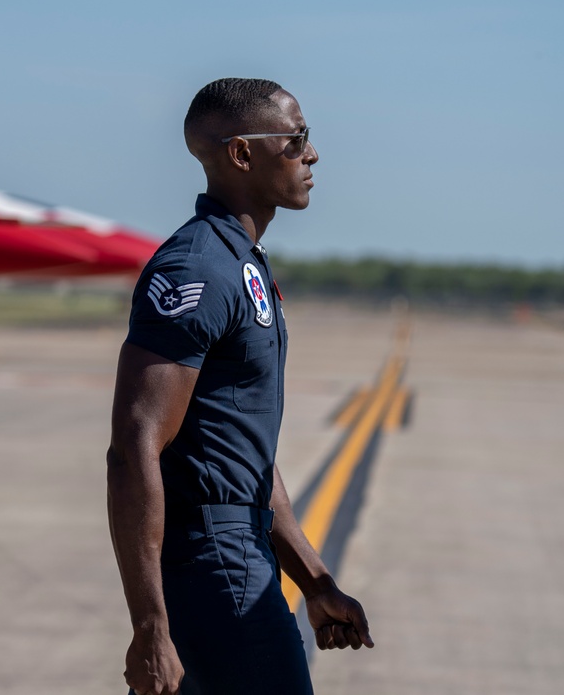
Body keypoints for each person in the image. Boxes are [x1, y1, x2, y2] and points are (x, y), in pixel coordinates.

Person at [107, 78, 373, 695]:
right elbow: (134, 446)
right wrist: (150, 623)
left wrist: (315, 582)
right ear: (242, 153)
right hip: (215, 564)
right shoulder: (197, 267)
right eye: (297, 138)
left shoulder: (241, 262)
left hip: (239, 550)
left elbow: (243, 453)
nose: (311, 154)